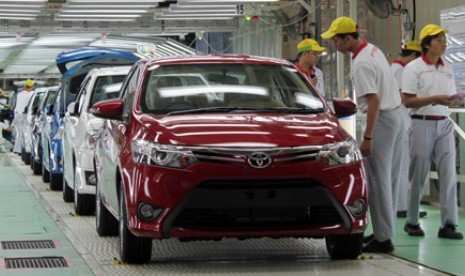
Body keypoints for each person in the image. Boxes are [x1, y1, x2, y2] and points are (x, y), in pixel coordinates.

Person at [321, 16, 406, 253]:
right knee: (388, 179)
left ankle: (384, 239)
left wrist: (368, 137)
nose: (334, 45)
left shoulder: (360, 64)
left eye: (336, 40)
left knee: (378, 180)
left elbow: (374, 100)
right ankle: (382, 233)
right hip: (396, 115)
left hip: (383, 120)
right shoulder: (373, 50)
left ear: (348, 38)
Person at [402, 24, 463, 239]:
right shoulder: (414, 68)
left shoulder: (447, 68)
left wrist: (457, 100)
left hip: (444, 123)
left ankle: (448, 225)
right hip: (421, 123)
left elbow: (450, 95)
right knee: (418, 173)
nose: (444, 43)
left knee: (448, 174)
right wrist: (435, 99)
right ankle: (411, 221)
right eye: (439, 40)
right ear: (427, 44)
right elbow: (407, 100)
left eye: (444, 40)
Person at [390, 41, 428, 218]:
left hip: (399, 121)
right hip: (403, 121)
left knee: (401, 165)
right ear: (412, 56)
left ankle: (402, 205)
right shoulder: (401, 70)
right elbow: (403, 97)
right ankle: (402, 206)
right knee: (405, 166)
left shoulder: (393, 68)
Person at [12, 79, 34, 154]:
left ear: (24, 86)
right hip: (25, 115)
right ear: (31, 87)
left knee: (19, 133)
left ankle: (17, 150)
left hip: (17, 115)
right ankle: (25, 150)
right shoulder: (32, 94)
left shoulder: (19, 94)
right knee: (26, 133)